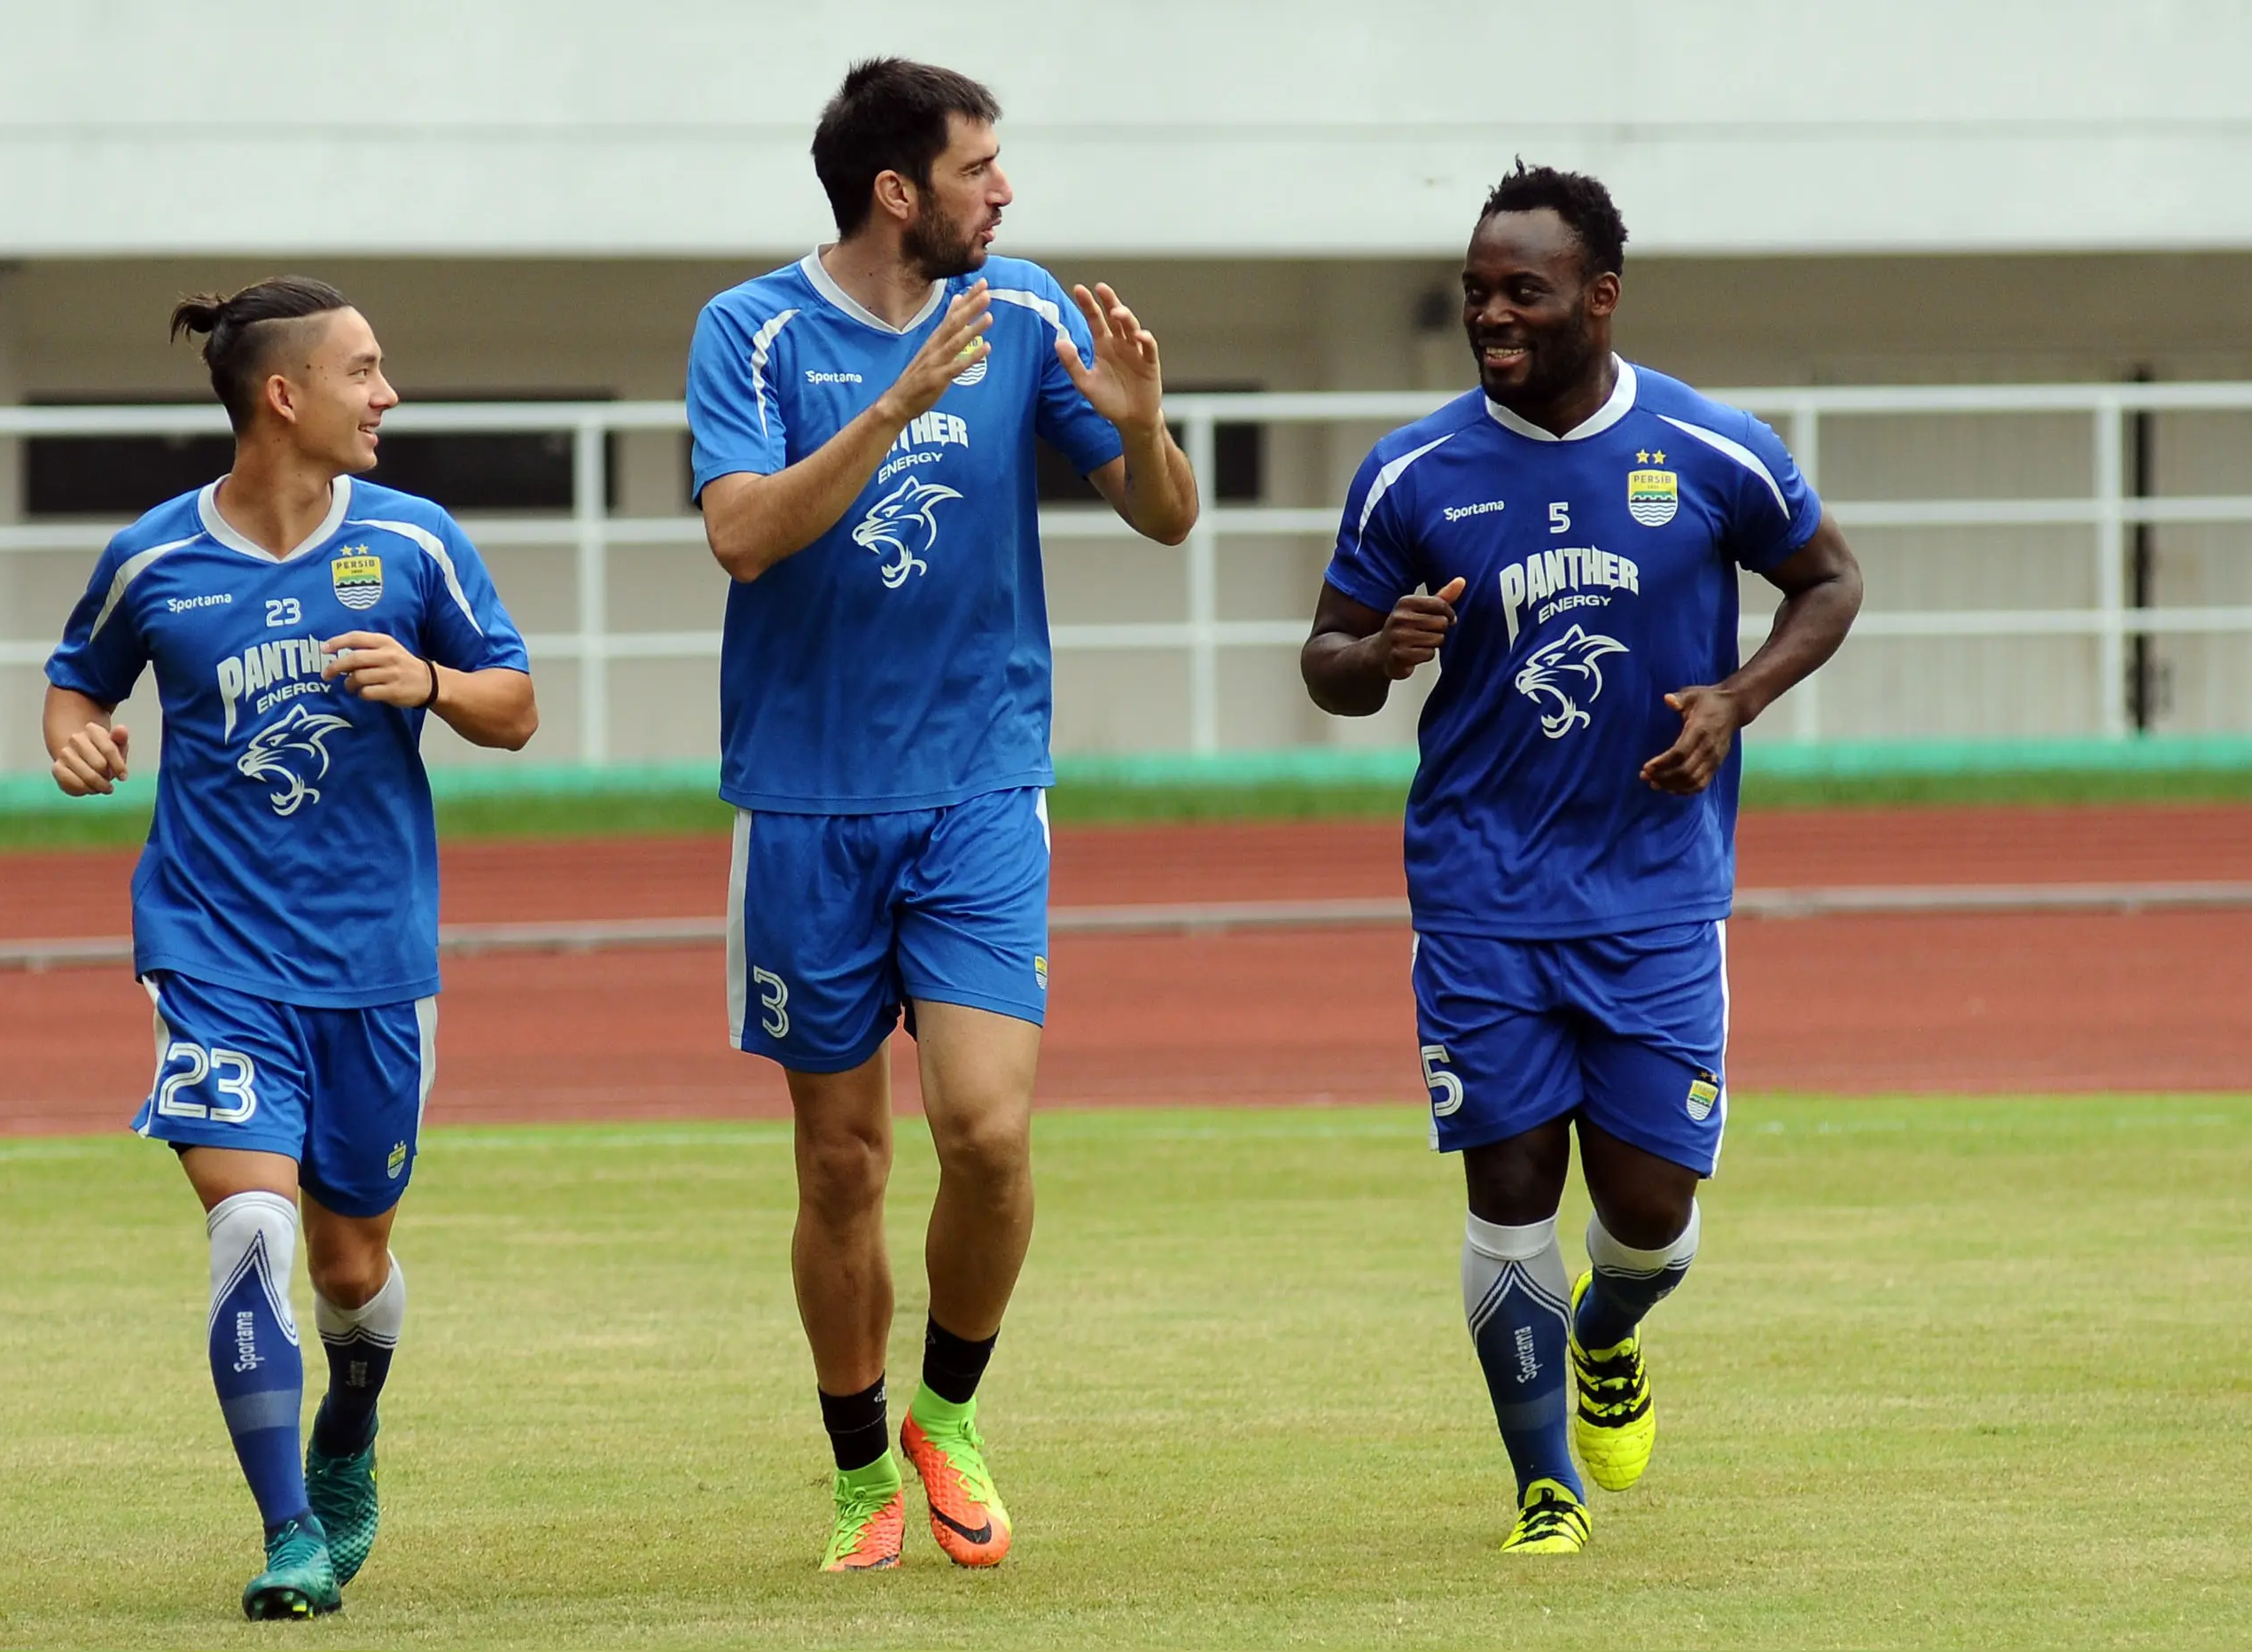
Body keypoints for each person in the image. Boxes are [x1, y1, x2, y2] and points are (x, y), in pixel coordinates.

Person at [1299, 163, 1862, 1555]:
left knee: (1651, 1216)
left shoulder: (1714, 450)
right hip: (1480, 892)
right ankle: (1543, 1487)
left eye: (1522, 293)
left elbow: (1831, 580)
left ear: (1598, 298)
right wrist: (1378, 655)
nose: (1490, 315)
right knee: (1508, 1191)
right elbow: (1326, 661)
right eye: (1477, 291)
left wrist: (1738, 700)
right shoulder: (1413, 472)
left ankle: (1608, 1333)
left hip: (1657, 893)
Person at [683, 58, 1198, 1572]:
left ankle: (948, 1414)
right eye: (981, 166)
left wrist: (1148, 425)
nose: (1007, 191)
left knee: (984, 1131)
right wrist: (896, 403)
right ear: (898, 190)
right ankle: (859, 1480)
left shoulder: (1028, 311)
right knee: (841, 1161)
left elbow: (1167, 519)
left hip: (980, 781)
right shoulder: (751, 330)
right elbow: (742, 536)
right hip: (804, 803)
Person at [42, 277, 537, 1617]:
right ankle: (289, 1535)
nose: (389, 397)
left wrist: (429, 682)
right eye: (365, 371)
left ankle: (351, 1429)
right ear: (285, 395)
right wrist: (71, 731)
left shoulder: (416, 544)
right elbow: (79, 670)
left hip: (377, 967)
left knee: (350, 1265)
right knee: (251, 1223)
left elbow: (516, 706)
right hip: (211, 955)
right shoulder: (155, 556)